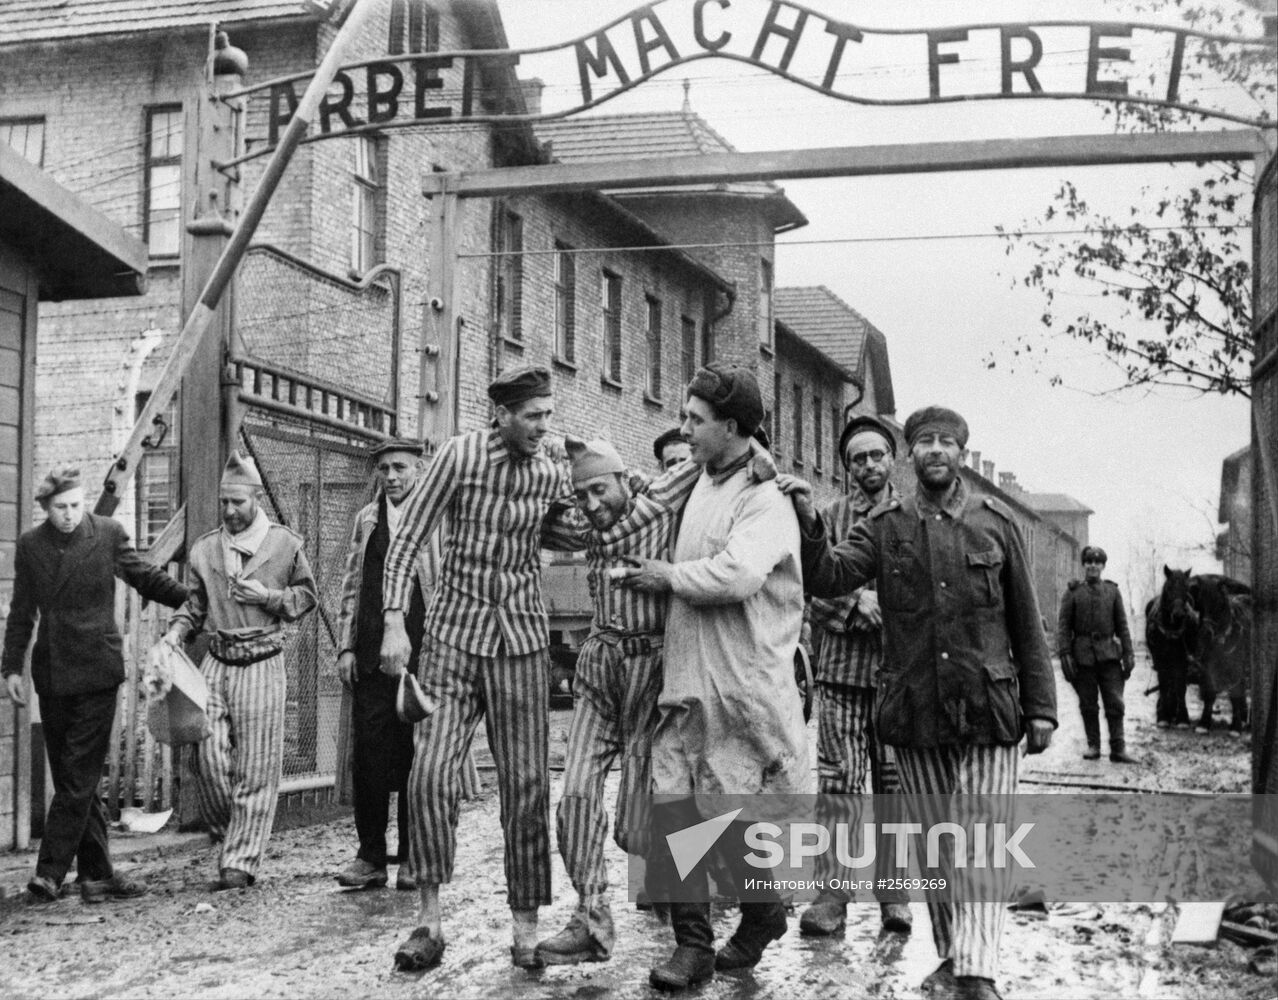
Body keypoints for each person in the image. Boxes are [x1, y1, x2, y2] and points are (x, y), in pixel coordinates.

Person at [783, 405, 1057, 1000]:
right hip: (915, 709)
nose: (935, 450)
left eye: (946, 441)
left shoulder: (995, 523)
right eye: (925, 441)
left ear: (961, 452)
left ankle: (978, 972)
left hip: (989, 706)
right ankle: (956, 958)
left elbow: (1025, 619)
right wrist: (807, 519)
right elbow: (829, 575)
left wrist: (1041, 706)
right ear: (912, 455)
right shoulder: (887, 526)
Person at [535, 433, 775, 967]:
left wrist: (764, 459)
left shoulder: (663, 499)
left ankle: (741, 896)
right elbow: (536, 508)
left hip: (654, 671)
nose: (593, 506)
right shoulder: (581, 519)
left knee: (637, 828)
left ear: (625, 478)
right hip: (600, 669)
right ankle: (591, 919)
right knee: (573, 796)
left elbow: (724, 448)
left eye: (601, 490)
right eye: (583, 496)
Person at [618, 362, 810, 991]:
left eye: (695, 421)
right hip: (688, 678)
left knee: (731, 818)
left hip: (742, 686)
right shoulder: (702, 478)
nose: (685, 429)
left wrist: (667, 576)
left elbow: (738, 575)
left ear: (732, 427)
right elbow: (641, 498)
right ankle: (693, 947)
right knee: (675, 805)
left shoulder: (767, 496)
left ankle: (763, 914)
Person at [379, 365, 573, 972]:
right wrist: (392, 620)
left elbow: (583, 518)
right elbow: (408, 536)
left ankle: (526, 929)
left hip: (521, 641)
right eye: (534, 415)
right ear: (503, 414)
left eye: (548, 414)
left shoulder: (550, 470)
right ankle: (428, 923)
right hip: (453, 638)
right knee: (430, 776)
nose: (544, 426)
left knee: (526, 786)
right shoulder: (460, 457)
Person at [2, 468, 187, 904]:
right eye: (59, 508)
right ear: (45, 509)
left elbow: (145, 577)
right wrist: (12, 667)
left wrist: (190, 599)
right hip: (53, 673)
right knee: (73, 776)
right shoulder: (31, 546)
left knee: (78, 774)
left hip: (97, 671)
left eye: (75, 505)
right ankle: (98, 875)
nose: (69, 515)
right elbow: (22, 610)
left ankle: (48, 872)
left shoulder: (107, 534)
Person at [163, 452, 318, 890]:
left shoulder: (285, 544)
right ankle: (235, 833)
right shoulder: (205, 548)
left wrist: (267, 596)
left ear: (256, 498)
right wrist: (176, 632)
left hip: (264, 661)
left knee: (256, 767)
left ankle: (240, 861)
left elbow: (306, 598)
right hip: (217, 659)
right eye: (224, 503)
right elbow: (194, 605)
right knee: (206, 753)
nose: (230, 512)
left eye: (239, 503)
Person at [799, 414, 912, 938]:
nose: (868, 465)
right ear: (846, 467)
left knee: (895, 788)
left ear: (894, 459)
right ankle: (831, 897)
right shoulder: (826, 517)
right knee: (839, 786)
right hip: (842, 676)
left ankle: (894, 895)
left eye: (876, 455)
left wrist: (888, 605)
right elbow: (804, 584)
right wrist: (853, 602)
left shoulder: (914, 518)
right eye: (857, 458)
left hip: (898, 680)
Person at [333, 439, 436, 890]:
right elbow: (352, 584)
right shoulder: (368, 520)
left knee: (417, 756)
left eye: (400, 468)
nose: (392, 477)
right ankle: (371, 855)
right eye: (384, 469)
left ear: (419, 468)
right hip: (373, 655)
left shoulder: (436, 517)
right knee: (369, 756)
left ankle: (414, 855)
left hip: (423, 655)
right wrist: (346, 646)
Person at [1057, 546, 1136, 763]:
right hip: (1083, 658)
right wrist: (1065, 653)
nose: (1093, 565)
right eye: (1089, 561)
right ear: (1083, 565)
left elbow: (1122, 625)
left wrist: (1128, 653)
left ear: (1103, 566)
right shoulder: (1073, 593)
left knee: (1115, 703)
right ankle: (1094, 746)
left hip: (1109, 657)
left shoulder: (1112, 592)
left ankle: (1118, 749)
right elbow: (1063, 627)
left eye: (1097, 562)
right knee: (1088, 704)